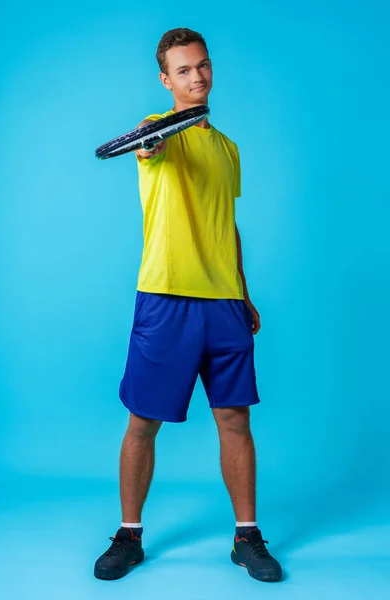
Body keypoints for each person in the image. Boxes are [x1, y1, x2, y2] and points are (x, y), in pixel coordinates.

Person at [94, 27, 282, 583]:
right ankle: (129, 535)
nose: (195, 76)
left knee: (234, 420)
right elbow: (147, 149)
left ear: (210, 68)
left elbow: (227, 221)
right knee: (142, 424)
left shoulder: (228, 149)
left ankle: (247, 536)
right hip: (167, 297)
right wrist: (150, 142)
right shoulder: (155, 132)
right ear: (165, 79)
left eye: (202, 66)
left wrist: (243, 292)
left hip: (223, 302)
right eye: (182, 70)